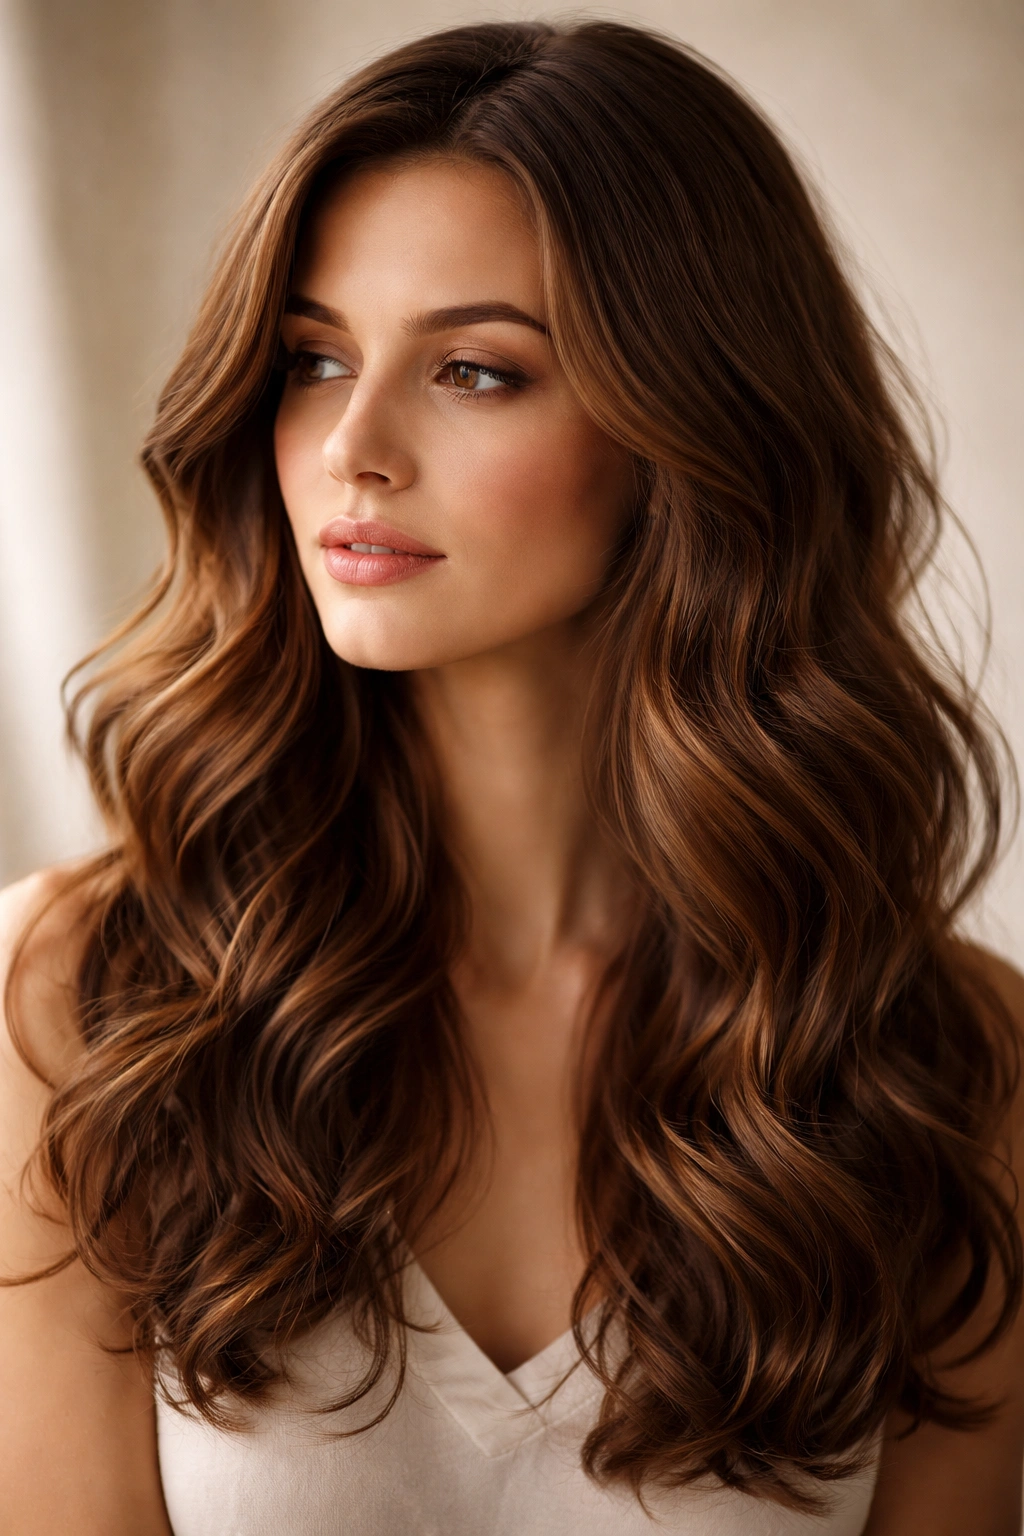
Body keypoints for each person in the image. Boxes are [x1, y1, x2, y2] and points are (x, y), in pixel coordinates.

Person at [1, 19, 1022, 1534]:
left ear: (695, 429)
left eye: (475, 370)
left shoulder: (946, 1067)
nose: (351, 445)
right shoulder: (75, 1000)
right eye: (311, 359)